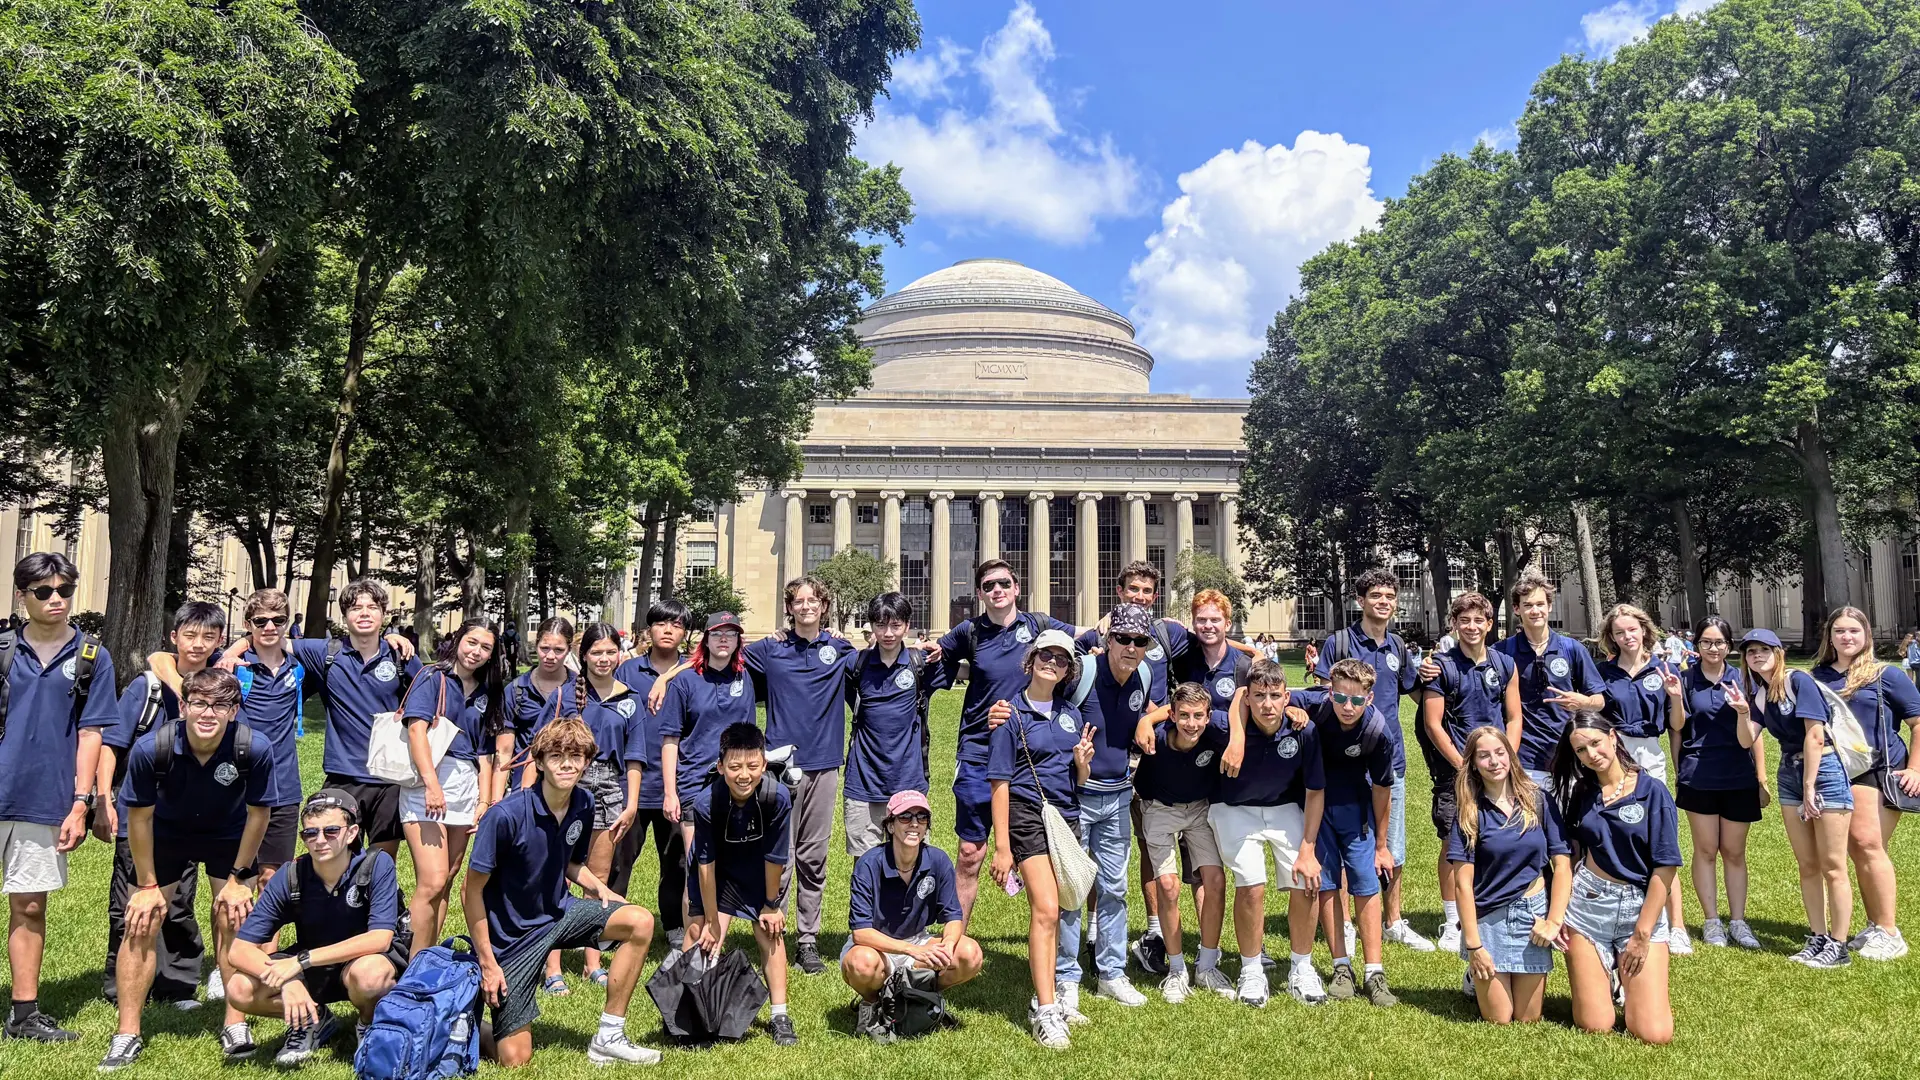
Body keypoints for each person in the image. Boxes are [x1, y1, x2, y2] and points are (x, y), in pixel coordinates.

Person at [101, 669, 273, 1069]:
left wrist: (238, 878)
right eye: (199, 703)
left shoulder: (254, 747)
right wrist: (146, 885)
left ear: (234, 710)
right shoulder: (151, 748)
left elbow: (259, 814)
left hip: (227, 834)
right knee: (141, 920)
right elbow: (138, 820)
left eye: (220, 705)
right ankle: (127, 1033)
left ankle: (236, 1023)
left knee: (233, 915)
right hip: (167, 833)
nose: (208, 713)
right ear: (184, 706)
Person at [465, 716, 658, 1067]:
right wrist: (487, 961)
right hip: (512, 939)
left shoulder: (583, 803)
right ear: (539, 762)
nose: (567, 764)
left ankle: (609, 1035)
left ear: (587, 761)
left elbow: (570, 862)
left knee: (640, 921)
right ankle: (464, 1022)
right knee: (515, 1059)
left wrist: (601, 888)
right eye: (556, 756)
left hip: (559, 913)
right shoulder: (505, 816)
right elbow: (471, 892)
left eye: (576, 756)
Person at [1, 552, 116, 1043]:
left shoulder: (93, 657)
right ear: (22, 595)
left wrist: (80, 803)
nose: (56, 600)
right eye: (44, 591)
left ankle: (24, 1015)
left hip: (46, 799)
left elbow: (91, 733)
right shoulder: (3, 649)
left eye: (64, 591)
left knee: (29, 906)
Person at [928, 560, 1076, 920]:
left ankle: (1053, 941)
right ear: (979, 593)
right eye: (989, 585)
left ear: (1016, 588)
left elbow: (1083, 639)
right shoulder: (969, 631)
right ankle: (953, 941)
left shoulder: (1039, 626)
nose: (997, 590)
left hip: (1029, 757)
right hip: (978, 752)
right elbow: (934, 651)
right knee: (970, 853)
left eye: (1004, 583)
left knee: (1042, 853)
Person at [226, 789, 405, 1066]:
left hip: (360, 963)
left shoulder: (376, 864)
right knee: (239, 988)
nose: (320, 840)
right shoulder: (291, 875)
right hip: (312, 969)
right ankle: (312, 1019)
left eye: (331, 831)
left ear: (352, 832)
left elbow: (380, 939)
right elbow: (239, 950)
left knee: (370, 976)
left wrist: (301, 962)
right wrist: (289, 979)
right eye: (310, 833)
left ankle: (369, 1026)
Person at [105, 602, 227, 1008]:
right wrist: (102, 796)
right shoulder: (148, 686)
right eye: (189, 635)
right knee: (131, 900)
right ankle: (118, 980)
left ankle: (176, 982)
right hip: (137, 811)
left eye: (208, 636)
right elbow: (113, 743)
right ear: (174, 637)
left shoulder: (219, 688)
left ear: (219, 641)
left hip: (189, 816)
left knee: (178, 902)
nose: (198, 644)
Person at [1305, 567, 1433, 952]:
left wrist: (1439, 684)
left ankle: (1393, 920)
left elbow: (1417, 693)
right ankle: (1344, 922)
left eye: (1390, 597)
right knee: (1345, 842)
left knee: (1391, 843)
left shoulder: (1397, 647)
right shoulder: (1341, 641)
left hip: (1387, 755)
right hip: (1343, 761)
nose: (1383, 602)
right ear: (1360, 601)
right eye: (1375, 595)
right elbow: (1324, 695)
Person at [742, 576, 856, 976]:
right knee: (779, 854)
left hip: (824, 764)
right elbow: (716, 655)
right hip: (779, 766)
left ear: (824, 606)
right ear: (789, 607)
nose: (806, 606)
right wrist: (668, 676)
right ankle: (774, 929)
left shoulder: (840, 649)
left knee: (813, 855)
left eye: (813, 600)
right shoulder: (770, 649)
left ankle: (807, 940)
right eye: (798, 601)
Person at [987, 630, 1094, 1049]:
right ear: (1030, 661)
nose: (1053, 663)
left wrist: (1082, 765)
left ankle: (1048, 994)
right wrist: (1002, 847)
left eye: (1062, 660)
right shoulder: (1008, 714)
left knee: (1063, 908)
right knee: (1047, 909)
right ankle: (1047, 1010)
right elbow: (999, 782)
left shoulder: (1070, 714)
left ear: (1069, 671)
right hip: (1027, 817)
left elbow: (1076, 781)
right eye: (1045, 656)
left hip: (1065, 818)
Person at [267, 580, 421, 858]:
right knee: (336, 861)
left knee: (380, 863)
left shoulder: (402, 656)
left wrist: (395, 638)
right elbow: (270, 638)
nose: (364, 613)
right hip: (343, 775)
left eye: (372, 607)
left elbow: (427, 703)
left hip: (389, 777)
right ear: (345, 615)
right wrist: (231, 652)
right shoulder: (326, 653)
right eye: (356, 607)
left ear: (383, 614)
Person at [1551, 711, 1679, 1044]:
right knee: (1596, 1024)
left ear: (1613, 737)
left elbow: (1665, 869)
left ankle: (1623, 972)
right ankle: (1603, 974)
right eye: (1581, 750)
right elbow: (1571, 854)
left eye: (1595, 743)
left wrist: (1642, 934)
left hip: (1640, 908)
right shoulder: (1581, 792)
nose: (1591, 755)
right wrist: (1557, 912)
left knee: (1654, 1033)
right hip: (1588, 907)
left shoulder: (1652, 792)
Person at [1052, 604, 1154, 1007]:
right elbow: (1047, 711)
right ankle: (1065, 977)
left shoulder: (1143, 677)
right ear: (1108, 640)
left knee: (1115, 889)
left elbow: (1141, 719)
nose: (1130, 647)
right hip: (1077, 796)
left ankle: (1111, 972)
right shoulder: (1084, 674)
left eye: (1139, 641)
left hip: (1117, 795)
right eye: (1123, 638)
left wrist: (1147, 722)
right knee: (1072, 890)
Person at [1736, 628, 1855, 967]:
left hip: (1823, 772)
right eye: (1750, 651)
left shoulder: (1797, 681)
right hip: (1789, 774)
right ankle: (1818, 936)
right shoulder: (1760, 695)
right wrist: (1743, 714)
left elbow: (1815, 735)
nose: (1756, 656)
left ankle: (1839, 944)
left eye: (1763, 649)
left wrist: (1809, 787)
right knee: (1807, 865)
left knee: (1833, 865)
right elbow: (1747, 741)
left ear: (1778, 652)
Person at [1211, 657, 1326, 1007]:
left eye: (1275, 695)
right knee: (1251, 884)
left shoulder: (1303, 730)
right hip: (1233, 809)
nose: (1267, 704)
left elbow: (1315, 791)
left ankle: (1301, 968)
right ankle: (1251, 970)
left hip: (1282, 808)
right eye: (1259, 695)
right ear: (1246, 698)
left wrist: (1308, 849)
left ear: (1287, 697)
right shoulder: (1222, 727)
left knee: (1307, 880)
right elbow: (1177, 714)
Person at [1812, 606, 1918, 962]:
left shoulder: (1885, 675)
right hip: (1836, 771)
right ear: (1830, 636)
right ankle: (1874, 925)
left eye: (1854, 631)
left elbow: (1918, 723)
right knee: (1857, 849)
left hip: (1880, 769)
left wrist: (1915, 770)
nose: (1847, 637)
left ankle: (1889, 930)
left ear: (1866, 636)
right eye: (1840, 631)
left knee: (1868, 844)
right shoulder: (1819, 676)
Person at [1416, 591, 1520, 954]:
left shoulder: (1505, 663)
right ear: (1454, 625)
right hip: (1456, 770)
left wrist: (1509, 758)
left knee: (1496, 837)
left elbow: (1513, 716)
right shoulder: (1441, 666)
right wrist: (1463, 765)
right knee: (1453, 842)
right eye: (1464, 620)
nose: (1472, 626)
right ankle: (1452, 920)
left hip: (1498, 766)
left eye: (1479, 620)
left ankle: (1490, 906)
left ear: (1490, 624)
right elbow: (1433, 724)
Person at [684, 722, 798, 1046]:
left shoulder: (777, 798)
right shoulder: (706, 803)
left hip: (758, 869)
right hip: (717, 872)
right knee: (703, 938)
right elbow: (705, 864)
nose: (743, 774)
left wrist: (771, 905)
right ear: (721, 767)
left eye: (752, 766)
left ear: (763, 764)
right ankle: (697, 1012)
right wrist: (710, 920)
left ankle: (780, 1015)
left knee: (769, 932)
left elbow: (775, 857)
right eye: (734, 767)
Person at [1448, 726, 1570, 1026]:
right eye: (1484, 756)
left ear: (1511, 756)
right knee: (1499, 1020)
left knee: (1529, 1018)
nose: (1494, 761)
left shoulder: (1539, 801)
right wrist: (1475, 946)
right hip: (1489, 918)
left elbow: (1563, 865)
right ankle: (1474, 971)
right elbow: (1463, 885)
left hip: (1532, 916)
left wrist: (1553, 921)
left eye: (1500, 753)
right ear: (1474, 764)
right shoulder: (1469, 811)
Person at [398, 618, 505, 957]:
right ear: (458, 640)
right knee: (431, 880)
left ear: (492, 654)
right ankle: (407, 963)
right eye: (471, 642)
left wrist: (485, 801)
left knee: (447, 880)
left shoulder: (489, 691)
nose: (476, 651)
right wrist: (431, 785)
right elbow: (416, 732)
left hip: (466, 785)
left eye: (485, 647)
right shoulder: (433, 678)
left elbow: (487, 752)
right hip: (429, 780)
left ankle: (427, 958)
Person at [841, 790, 984, 1039]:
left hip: (917, 940)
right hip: (877, 947)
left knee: (969, 954)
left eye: (921, 817)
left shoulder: (937, 860)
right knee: (860, 964)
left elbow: (953, 917)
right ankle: (872, 1002)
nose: (914, 824)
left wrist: (947, 946)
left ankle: (921, 994)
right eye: (905, 817)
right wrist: (911, 951)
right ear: (891, 825)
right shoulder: (868, 863)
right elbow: (861, 933)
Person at [1594, 602, 1690, 955]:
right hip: (1613, 751)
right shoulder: (1603, 672)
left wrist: (1676, 697)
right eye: (1619, 632)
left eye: (1631, 630)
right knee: (1616, 831)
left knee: (1660, 841)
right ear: (1611, 637)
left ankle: (1676, 925)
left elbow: (1677, 724)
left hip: (1650, 752)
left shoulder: (1663, 668)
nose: (1626, 636)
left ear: (1644, 630)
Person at [1304, 659, 1400, 1006]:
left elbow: (1382, 789)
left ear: (1370, 699)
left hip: (1355, 812)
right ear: (1330, 692)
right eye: (1341, 698)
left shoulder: (1377, 731)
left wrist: (1382, 845)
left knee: (1365, 883)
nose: (1348, 707)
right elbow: (1263, 697)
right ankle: (1340, 966)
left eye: (1357, 700)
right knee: (1327, 884)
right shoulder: (1312, 707)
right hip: (1316, 810)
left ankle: (1374, 970)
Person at [657, 611, 759, 931]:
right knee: (699, 868)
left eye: (731, 634)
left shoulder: (744, 678)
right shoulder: (686, 680)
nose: (724, 639)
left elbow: (750, 737)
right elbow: (671, 739)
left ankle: (713, 945)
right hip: (693, 785)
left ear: (738, 641)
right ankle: (693, 946)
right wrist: (670, 792)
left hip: (735, 787)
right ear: (706, 639)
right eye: (717, 634)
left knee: (725, 870)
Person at [1129, 683, 1230, 1001]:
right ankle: (1176, 970)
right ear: (1171, 715)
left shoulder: (1215, 734)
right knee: (1169, 885)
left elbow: (1246, 717)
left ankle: (1207, 965)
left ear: (1208, 716)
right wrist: (1145, 721)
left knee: (1215, 881)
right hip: (1159, 808)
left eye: (1199, 716)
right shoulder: (1155, 741)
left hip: (1199, 809)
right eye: (1183, 715)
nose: (1191, 723)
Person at [1671, 616, 1766, 950]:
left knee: (1735, 852)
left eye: (1719, 643)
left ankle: (1738, 922)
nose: (1713, 649)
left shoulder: (1745, 681)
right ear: (1696, 645)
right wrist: (1675, 697)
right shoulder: (1684, 679)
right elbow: (1677, 728)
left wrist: (1761, 778)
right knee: (1706, 849)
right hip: (1698, 775)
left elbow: (1750, 740)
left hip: (1738, 774)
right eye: (1706, 642)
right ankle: (1712, 921)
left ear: (1729, 646)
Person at [565, 622, 647, 987]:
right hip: (567, 786)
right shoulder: (567, 695)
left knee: (597, 877)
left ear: (620, 653)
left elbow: (635, 757)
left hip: (611, 789)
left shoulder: (630, 699)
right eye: (596, 652)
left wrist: (631, 804)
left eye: (610, 652)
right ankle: (551, 966)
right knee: (558, 874)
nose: (603, 658)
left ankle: (591, 960)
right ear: (583, 656)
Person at [610, 600, 693, 943]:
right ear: (649, 629)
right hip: (631, 783)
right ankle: (611, 925)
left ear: (685, 633)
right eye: (661, 624)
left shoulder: (692, 670)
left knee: (676, 861)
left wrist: (669, 676)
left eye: (676, 625)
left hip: (675, 783)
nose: (668, 630)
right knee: (619, 858)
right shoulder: (628, 672)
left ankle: (673, 924)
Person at [844, 593, 947, 858]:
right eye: (880, 625)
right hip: (863, 783)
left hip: (909, 780)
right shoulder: (856, 664)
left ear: (907, 625)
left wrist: (941, 647)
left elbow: (975, 671)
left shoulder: (921, 665)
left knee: (910, 860)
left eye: (896, 625)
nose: (888, 633)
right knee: (865, 865)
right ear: (871, 626)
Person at [1488, 569, 1606, 788]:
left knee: (1572, 822)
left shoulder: (1572, 649)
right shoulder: (1501, 652)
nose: (1535, 611)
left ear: (1550, 607)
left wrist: (1584, 703)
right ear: (1516, 609)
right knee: (1531, 822)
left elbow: (1599, 700)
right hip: (1523, 757)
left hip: (1569, 755)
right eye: (1528, 605)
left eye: (1540, 604)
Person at [501, 617, 579, 798]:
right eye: (545, 648)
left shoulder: (580, 688)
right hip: (524, 786)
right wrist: (495, 801)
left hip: (569, 787)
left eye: (558, 650)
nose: (550, 656)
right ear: (536, 645)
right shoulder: (516, 690)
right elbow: (504, 751)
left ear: (569, 650)